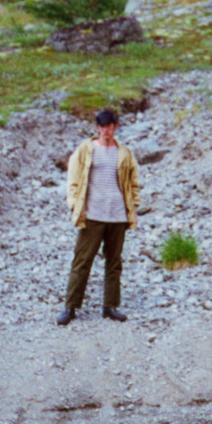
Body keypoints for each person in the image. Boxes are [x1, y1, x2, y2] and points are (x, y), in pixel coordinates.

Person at [57, 108, 140, 326]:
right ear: (97, 128)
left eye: (110, 126)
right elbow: (73, 182)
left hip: (118, 216)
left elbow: (133, 182)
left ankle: (110, 306)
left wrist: (134, 207)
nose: (107, 130)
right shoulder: (85, 150)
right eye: (103, 126)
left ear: (116, 127)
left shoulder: (125, 153)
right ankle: (70, 307)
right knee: (82, 260)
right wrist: (75, 205)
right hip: (92, 215)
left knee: (114, 262)